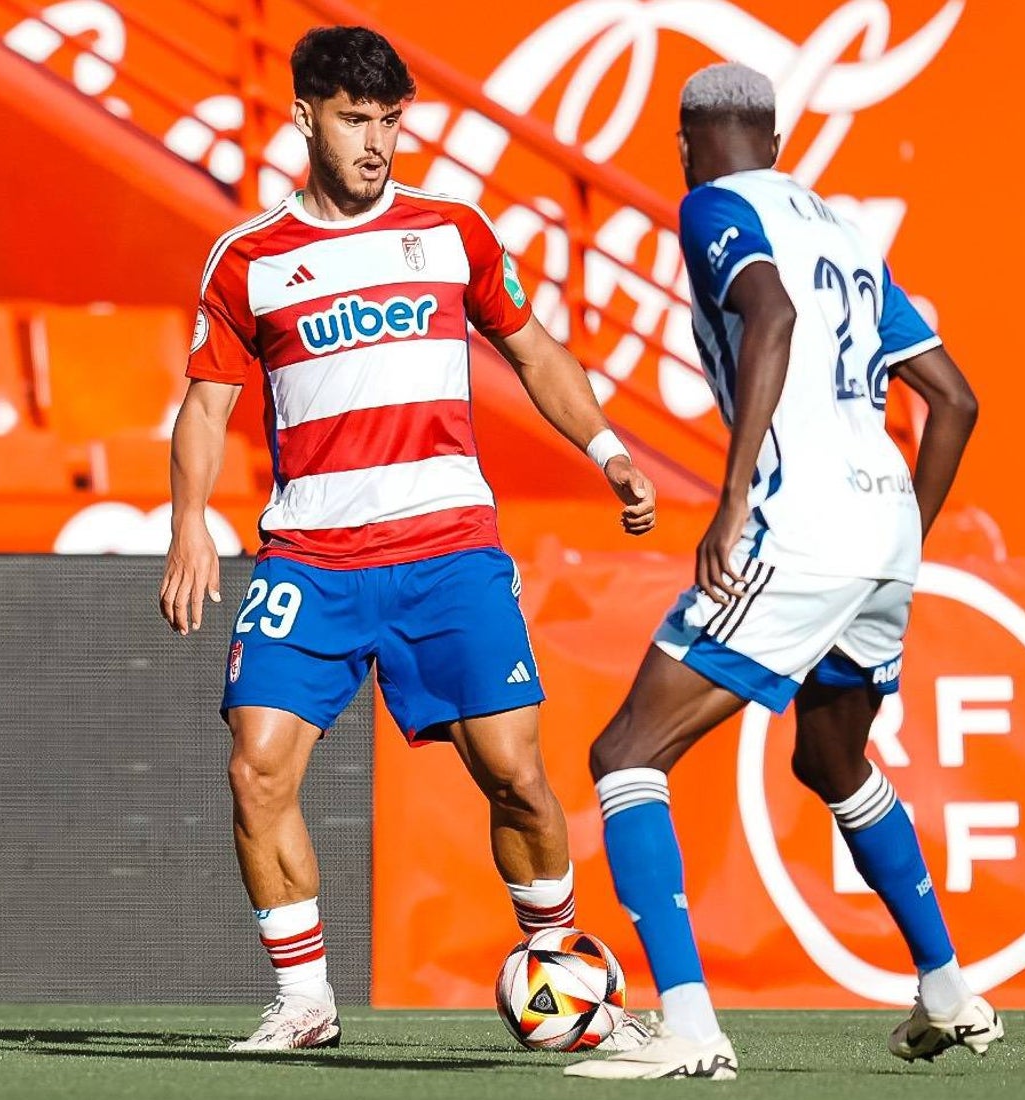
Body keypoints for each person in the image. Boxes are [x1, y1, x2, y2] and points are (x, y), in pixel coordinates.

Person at [158, 25, 656, 1052]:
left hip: (447, 548)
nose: (377, 141)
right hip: (312, 555)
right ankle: (306, 1000)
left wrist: (607, 449)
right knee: (256, 765)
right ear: (304, 118)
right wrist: (188, 529)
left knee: (516, 771)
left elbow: (535, 348)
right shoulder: (248, 259)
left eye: (390, 119)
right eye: (354, 118)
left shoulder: (455, 231)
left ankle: (563, 972)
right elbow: (205, 407)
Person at [565, 62, 1001, 1081]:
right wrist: (900, 534)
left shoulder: (711, 206)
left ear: (685, 146)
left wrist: (729, 502)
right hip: (881, 520)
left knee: (626, 751)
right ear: (776, 136)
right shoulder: (845, 230)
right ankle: (948, 988)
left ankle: (686, 1025)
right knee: (831, 759)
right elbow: (958, 398)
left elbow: (771, 318)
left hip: (796, 521)